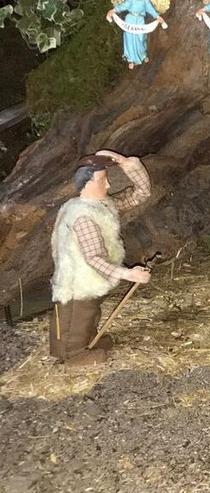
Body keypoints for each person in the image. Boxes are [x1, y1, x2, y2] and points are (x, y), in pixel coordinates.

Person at [49, 150, 152, 367]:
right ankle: (73, 355)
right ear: (86, 183)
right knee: (76, 316)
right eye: (102, 181)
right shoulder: (83, 217)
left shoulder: (102, 205)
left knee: (90, 314)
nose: (108, 185)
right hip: (79, 281)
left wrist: (127, 164)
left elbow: (141, 194)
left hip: (94, 278)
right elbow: (94, 258)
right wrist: (128, 274)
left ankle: (87, 342)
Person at [106, 0, 167, 69]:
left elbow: (151, 9)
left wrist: (158, 17)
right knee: (129, 39)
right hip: (129, 20)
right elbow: (123, 6)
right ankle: (131, 59)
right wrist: (114, 10)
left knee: (140, 38)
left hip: (140, 21)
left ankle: (142, 55)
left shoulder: (145, 1)